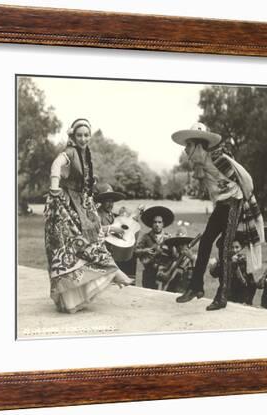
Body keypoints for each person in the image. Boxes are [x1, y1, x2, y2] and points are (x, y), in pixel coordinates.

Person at [171, 122, 264, 311]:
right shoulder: (200, 166)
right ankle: (196, 287)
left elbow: (244, 179)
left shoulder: (218, 158)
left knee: (225, 248)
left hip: (234, 202)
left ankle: (222, 295)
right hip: (222, 205)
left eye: (189, 145)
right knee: (205, 242)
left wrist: (246, 202)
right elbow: (213, 191)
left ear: (198, 145)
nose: (186, 149)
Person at [44, 118, 133, 314]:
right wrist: (54, 186)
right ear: (73, 136)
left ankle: (108, 273)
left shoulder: (85, 155)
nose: (83, 139)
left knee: (90, 240)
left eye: (86, 135)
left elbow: (80, 179)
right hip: (64, 204)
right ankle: (110, 273)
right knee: (71, 246)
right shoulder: (70, 152)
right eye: (79, 135)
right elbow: (56, 164)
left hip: (81, 203)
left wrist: (90, 182)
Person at [94, 183, 138, 280]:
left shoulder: (112, 216)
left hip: (114, 254)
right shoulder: (97, 214)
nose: (110, 204)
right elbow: (94, 230)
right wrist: (111, 228)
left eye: (112, 201)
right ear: (101, 201)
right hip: (101, 255)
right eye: (107, 201)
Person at [210, 232, 257, 306]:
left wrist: (248, 300)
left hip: (240, 296)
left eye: (237, 247)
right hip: (224, 296)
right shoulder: (224, 262)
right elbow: (214, 274)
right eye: (231, 247)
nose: (234, 250)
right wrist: (216, 265)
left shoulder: (245, 262)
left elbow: (251, 284)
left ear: (241, 248)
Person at [134, 206, 174, 290]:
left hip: (163, 273)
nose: (157, 224)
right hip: (149, 272)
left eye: (159, 222)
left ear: (163, 224)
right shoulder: (146, 237)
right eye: (155, 222)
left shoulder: (169, 237)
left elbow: (174, 256)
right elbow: (135, 251)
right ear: (151, 224)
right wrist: (145, 250)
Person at [159, 227, 198, 293]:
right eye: (178, 244)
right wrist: (164, 275)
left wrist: (192, 259)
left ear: (187, 245)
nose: (180, 247)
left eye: (183, 244)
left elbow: (195, 279)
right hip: (168, 293)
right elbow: (159, 275)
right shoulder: (171, 258)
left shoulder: (193, 259)